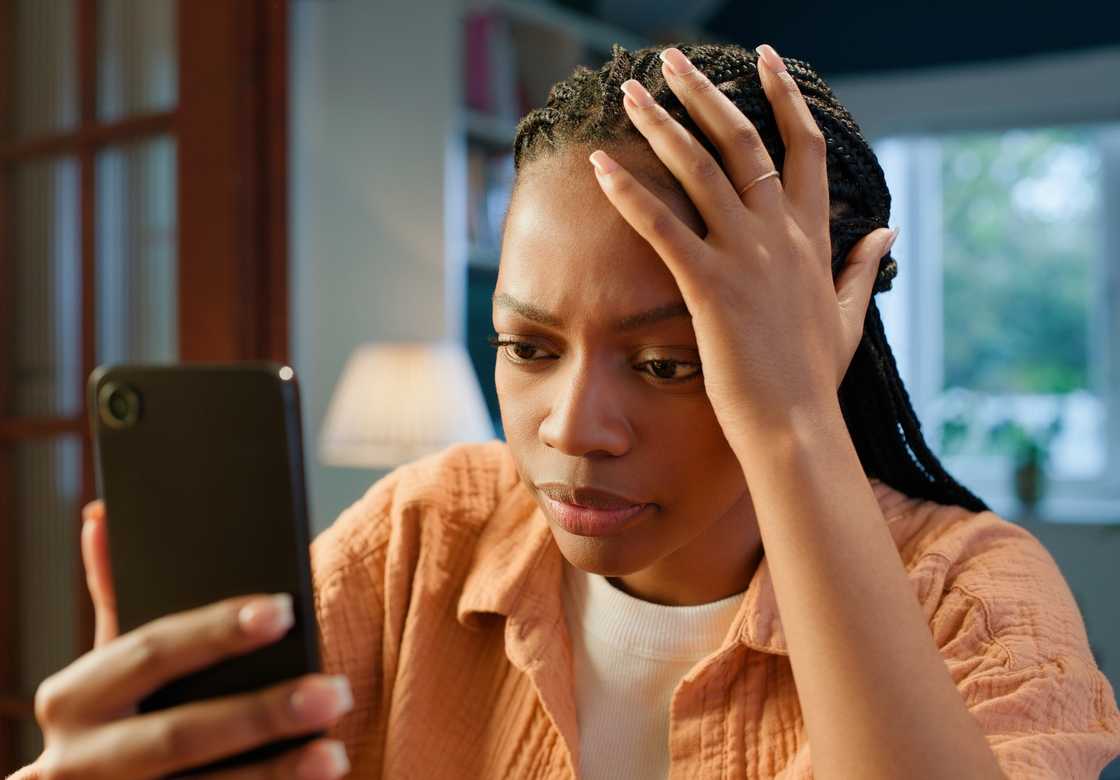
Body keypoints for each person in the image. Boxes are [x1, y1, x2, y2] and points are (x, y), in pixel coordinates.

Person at [13, 41, 1120, 780]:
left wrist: (789, 424)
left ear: (815, 348)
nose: (572, 428)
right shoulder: (428, 533)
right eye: (527, 347)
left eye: (669, 364)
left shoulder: (973, 593)